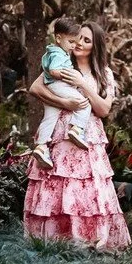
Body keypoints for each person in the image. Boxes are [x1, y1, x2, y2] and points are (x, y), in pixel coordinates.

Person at [23, 21, 131, 250]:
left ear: (96, 46)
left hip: (86, 138)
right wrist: (64, 102)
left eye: (86, 40)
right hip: (58, 136)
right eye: (78, 38)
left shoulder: (104, 74)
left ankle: (89, 243)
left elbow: (103, 109)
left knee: (87, 191)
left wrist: (83, 85)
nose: (79, 43)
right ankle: (54, 244)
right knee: (56, 185)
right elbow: (35, 88)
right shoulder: (62, 61)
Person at [25, 15, 90, 170]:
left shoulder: (52, 51)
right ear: (59, 38)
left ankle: (41, 146)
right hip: (59, 85)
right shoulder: (59, 54)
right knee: (83, 104)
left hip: (51, 87)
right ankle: (77, 129)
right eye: (71, 42)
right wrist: (70, 75)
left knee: (49, 117)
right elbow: (54, 70)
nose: (75, 46)